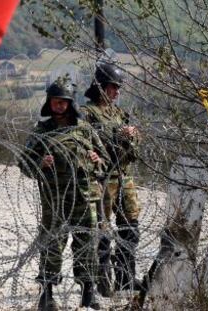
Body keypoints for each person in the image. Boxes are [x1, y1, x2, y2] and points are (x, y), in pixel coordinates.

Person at [19, 76, 108, 310]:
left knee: (86, 244)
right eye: (55, 102)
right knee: (52, 244)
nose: (59, 106)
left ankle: (88, 294)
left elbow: (106, 161)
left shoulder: (84, 129)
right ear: (49, 103)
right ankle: (46, 295)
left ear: (70, 103)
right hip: (54, 198)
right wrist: (40, 163)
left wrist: (97, 160)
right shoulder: (42, 131)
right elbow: (23, 163)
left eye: (64, 102)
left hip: (84, 197)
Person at [80, 62, 142, 295]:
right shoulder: (87, 114)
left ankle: (126, 279)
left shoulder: (120, 114)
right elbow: (84, 143)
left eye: (118, 88)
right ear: (101, 87)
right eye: (113, 87)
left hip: (124, 177)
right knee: (103, 232)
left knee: (131, 229)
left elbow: (134, 150)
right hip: (103, 180)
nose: (117, 92)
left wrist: (132, 137)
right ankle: (103, 279)